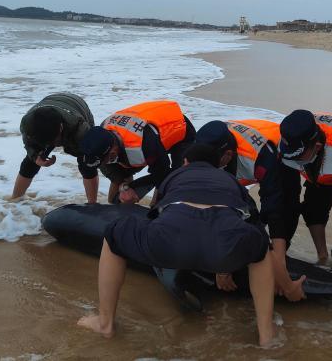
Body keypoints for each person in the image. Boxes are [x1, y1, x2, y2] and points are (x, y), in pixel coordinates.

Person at [77, 144, 278, 346]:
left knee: (114, 235)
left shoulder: (175, 176)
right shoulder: (232, 181)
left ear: (185, 163)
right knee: (261, 247)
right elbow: (252, 221)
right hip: (223, 246)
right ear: (218, 166)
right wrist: (225, 268)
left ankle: (105, 323)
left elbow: (155, 214)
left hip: (172, 239)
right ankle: (266, 335)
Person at [192, 120, 306, 300]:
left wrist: (278, 266)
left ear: (227, 156)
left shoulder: (262, 157)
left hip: (280, 156)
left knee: (285, 207)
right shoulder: (201, 150)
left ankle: (280, 257)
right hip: (239, 162)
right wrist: (221, 267)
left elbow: (273, 208)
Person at [275, 109, 332, 262]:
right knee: (313, 209)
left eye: (298, 157)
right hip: (321, 172)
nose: (293, 160)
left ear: (317, 147)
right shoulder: (289, 137)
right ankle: (323, 255)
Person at [79, 100, 195, 204]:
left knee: (175, 177)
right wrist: (124, 187)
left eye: (105, 161)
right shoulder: (102, 133)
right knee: (117, 195)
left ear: (113, 153)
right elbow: (113, 170)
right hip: (148, 127)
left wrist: (138, 192)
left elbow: (162, 173)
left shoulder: (145, 145)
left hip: (179, 128)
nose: (104, 164)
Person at [13, 92, 98, 203]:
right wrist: (35, 157)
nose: (54, 144)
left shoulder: (80, 128)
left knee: (87, 163)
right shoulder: (28, 125)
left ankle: (93, 204)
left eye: (54, 140)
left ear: (61, 127)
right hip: (48, 106)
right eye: (47, 142)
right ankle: (15, 199)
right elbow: (30, 145)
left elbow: (94, 157)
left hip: (78, 105)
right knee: (30, 163)